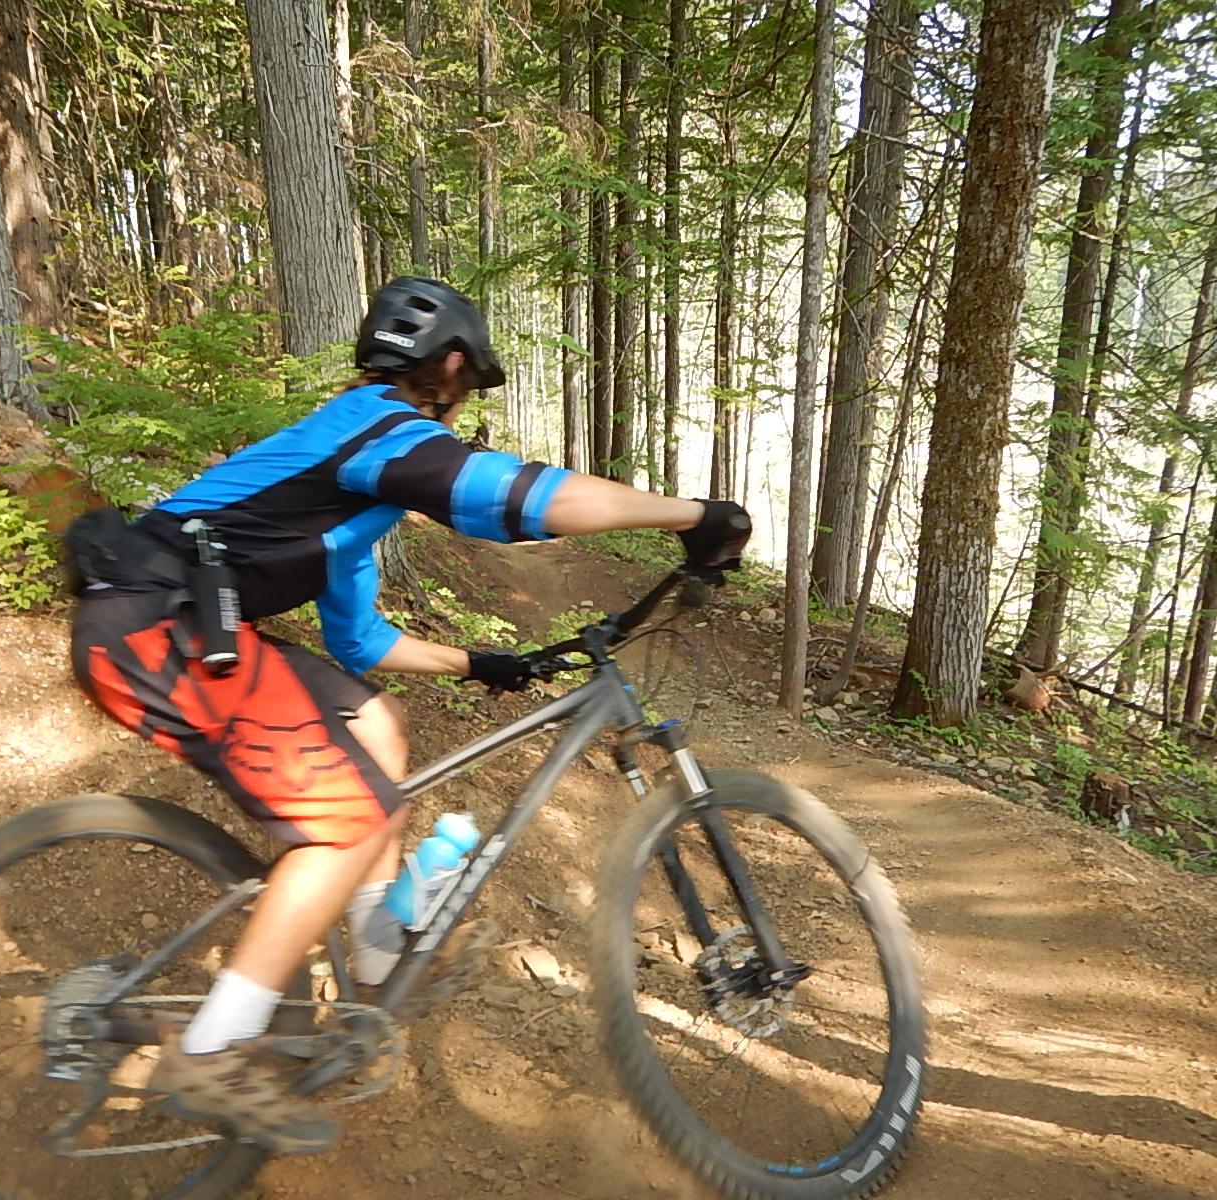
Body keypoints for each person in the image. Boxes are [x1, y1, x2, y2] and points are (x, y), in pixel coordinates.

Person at [67, 276, 751, 1155]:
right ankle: (208, 1052)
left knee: (374, 726)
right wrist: (692, 515)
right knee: (350, 827)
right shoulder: (380, 432)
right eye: (469, 384)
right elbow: (525, 501)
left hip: (183, 624)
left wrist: (490, 663)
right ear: (454, 364)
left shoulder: (351, 489)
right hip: (152, 628)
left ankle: (379, 952)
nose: (465, 403)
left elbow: (358, 642)